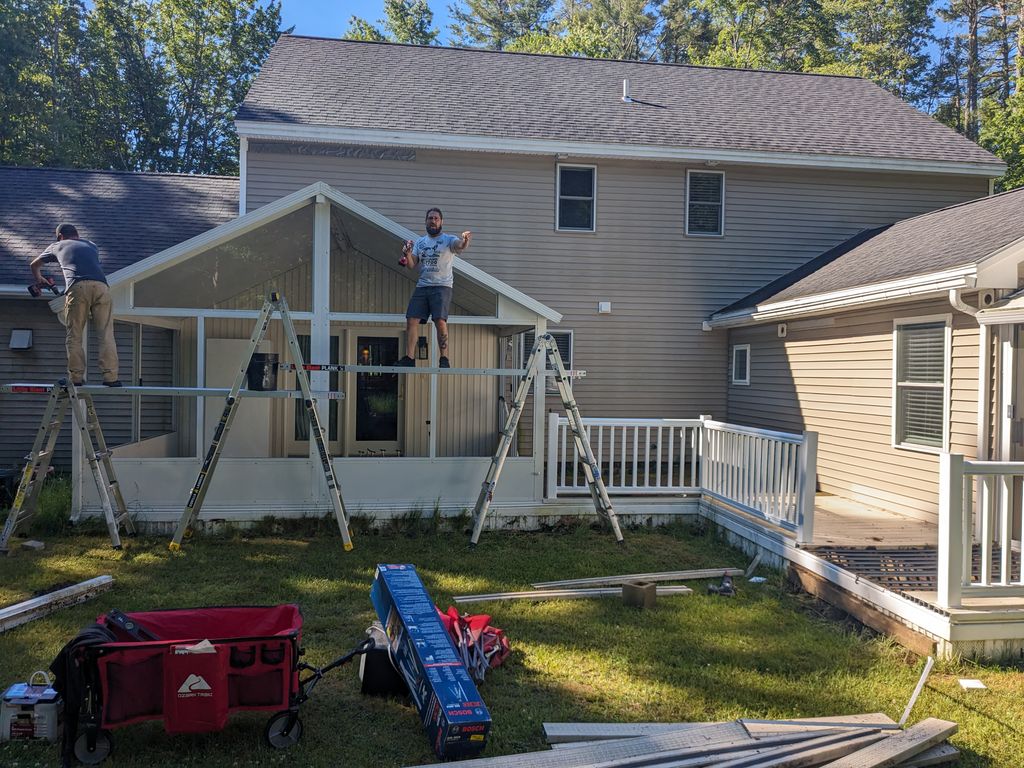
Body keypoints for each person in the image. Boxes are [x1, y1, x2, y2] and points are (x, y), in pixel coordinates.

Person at [30, 224, 121, 386]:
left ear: (60, 236)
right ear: (77, 235)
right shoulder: (91, 245)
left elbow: (34, 264)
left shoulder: (57, 245)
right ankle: (111, 378)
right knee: (106, 333)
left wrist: (39, 279)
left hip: (77, 287)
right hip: (102, 286)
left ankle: (76, 378)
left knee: (75, 334)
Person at [396, 207, 472, 368]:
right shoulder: (420, 242)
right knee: (411, 320)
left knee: (440, 320)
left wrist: (465, 240)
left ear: (441, 222)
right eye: (430, 218)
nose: (433, 221)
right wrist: (408, 254)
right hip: (423, 286)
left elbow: (460, 246)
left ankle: (444, 358)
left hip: (442, 286)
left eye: (436, 218)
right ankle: (409, 358)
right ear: (426, 221)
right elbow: (411, 265)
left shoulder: (448, 240)